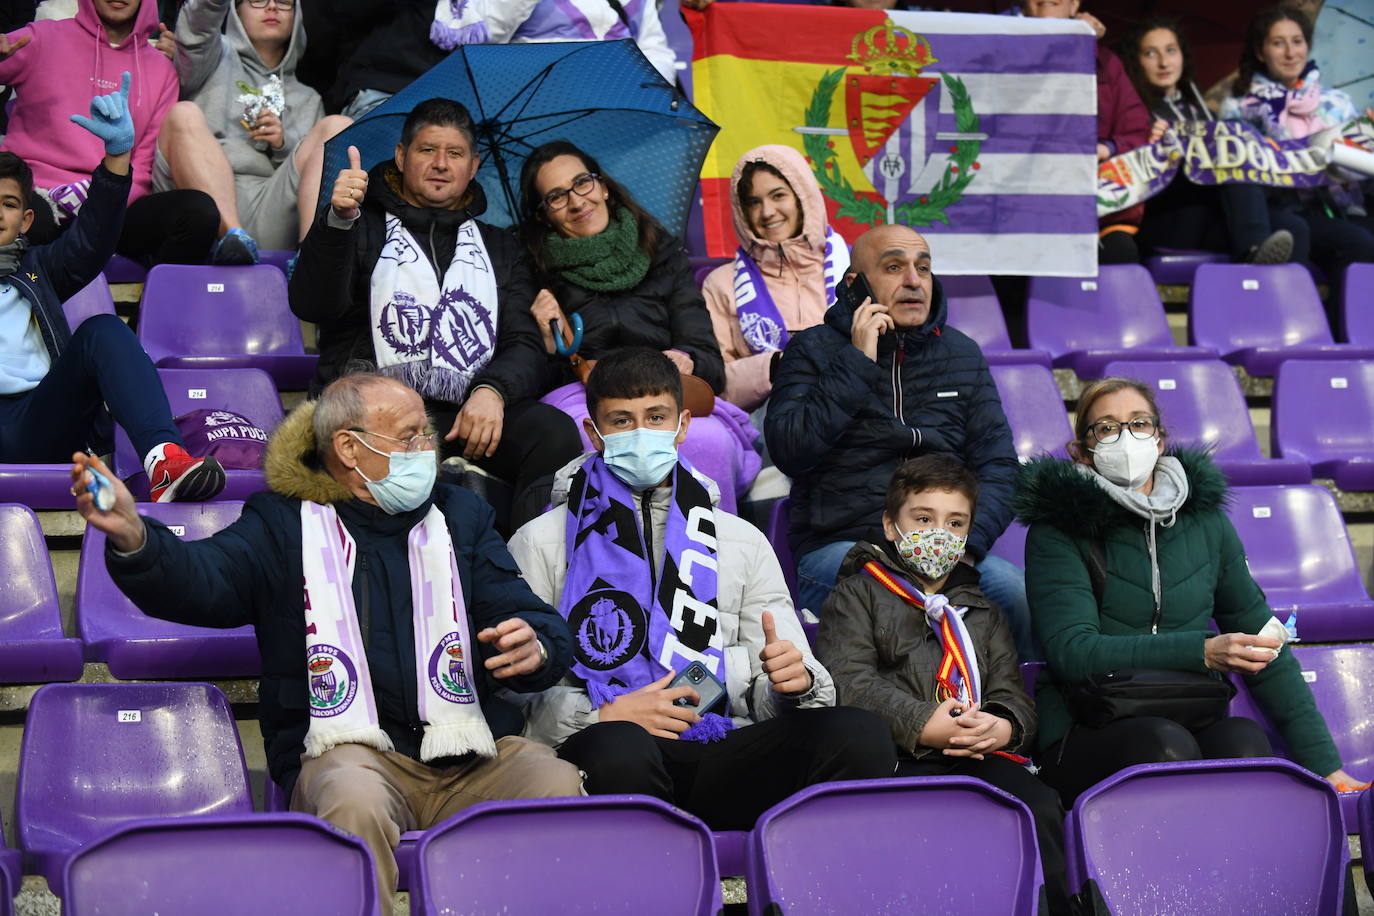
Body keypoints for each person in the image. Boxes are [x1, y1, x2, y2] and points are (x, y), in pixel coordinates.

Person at [79, 373, 584, 913]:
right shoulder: (282, 523)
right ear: (349, 447)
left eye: (426, 435)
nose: (427, 450)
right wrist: (137, 540)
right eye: (410, 436)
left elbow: (527, 614)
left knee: (551, 779)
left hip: (468, 754)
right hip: (348, 759)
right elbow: (201, 580)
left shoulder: (459, 516)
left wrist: (538, 647)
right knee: (353, 797)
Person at [507, 348, 894, 829]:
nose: (641, 433)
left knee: (858, 735)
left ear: (683, 425)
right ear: (594, 433)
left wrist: (791, 684)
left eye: (656, 417)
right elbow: (515, 695)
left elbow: (780, 681)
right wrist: (603, 714)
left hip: (721, 737)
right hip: (612, 747)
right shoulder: (539, 540)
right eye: (622, 421)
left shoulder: (740, 540)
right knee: (618, 750)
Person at [1014, 376, 1366, 804]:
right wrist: (1202, 650)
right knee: (1163, 746)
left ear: (1160, 439)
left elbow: (1264, 643)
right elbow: (1073, 652)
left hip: (1189, 709)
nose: (1126, 436)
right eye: (1106, 428)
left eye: (1139, 423)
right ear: (1081, 452)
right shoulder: (1058, 529)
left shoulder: (1207, 524)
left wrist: (1326, 766)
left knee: (1245, 745)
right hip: (1085, 723)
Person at [289, 98, 582, 534]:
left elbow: (523, 342)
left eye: (455, 153)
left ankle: (522, 568)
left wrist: (493, 392)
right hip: (375, 407)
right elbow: (312, 304)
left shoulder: (500, 246)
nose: (441, 164)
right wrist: (337, 222)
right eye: (427, 150)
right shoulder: (359, 223)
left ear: (474, 164)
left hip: (466, 411)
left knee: (552, 432)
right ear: (402, 156)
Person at [817, 454, 1068, 914]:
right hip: (898, 758)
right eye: (923, 518)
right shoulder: (856, 593)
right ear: (891, 526)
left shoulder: (983, 609)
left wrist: (1002, 726)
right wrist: (922, 721)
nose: (940, 533)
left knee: (1038, 802)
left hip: (974, 755)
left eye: (956, 523)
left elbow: (1011, 693)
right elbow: (847, 682)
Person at [765, 225, 1029, 657]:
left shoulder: (962, 354)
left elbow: (999, 466)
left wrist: (966, 549)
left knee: (1013, 595)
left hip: (947, 547)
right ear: (855, 285)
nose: (913, 281)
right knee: (900, 596)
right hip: (847, 545)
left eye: (923, 268)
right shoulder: (812, 350)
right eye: (893, 267)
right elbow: (792, 451)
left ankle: (1014, 719)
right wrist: (856, 361)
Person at [2, 80, 224, 501]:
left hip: (38, 421)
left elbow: (92, 241)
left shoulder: (40, 268)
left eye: (8, 204)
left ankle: (164, 461)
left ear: (27, 221)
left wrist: (117, 157)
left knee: (103, 330)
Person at [517, 140, 759, 514]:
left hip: (663, 390)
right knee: (580, 442)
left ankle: (710, 563)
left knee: (708, 441)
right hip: (584, 396)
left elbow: (709, 360)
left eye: (582, 183)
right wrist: (551, 343)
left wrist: (686, 359)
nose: (578, 201)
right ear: (542, 215)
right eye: (556, 197)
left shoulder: (662, 251)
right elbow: (529, 377)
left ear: (604, 186)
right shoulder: (531, 271)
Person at [0, 0, 222, 267]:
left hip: (113, 201)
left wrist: (102, 204)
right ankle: (30, 304)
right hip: (39, 192)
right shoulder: (41, 37)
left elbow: (143, 165)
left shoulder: (162, 68)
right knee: (30, 220)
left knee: (198, 213)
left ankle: (154, 306)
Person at [162, 0, 352, 252]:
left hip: (271, 207)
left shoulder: (309, 98)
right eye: (258, 0)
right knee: (183, 113)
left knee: (337, 126)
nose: (271, 7)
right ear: (235, 10)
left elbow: (309, 176)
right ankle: (232, 237)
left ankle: (310, 258)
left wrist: (284, 145)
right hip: (201, 205)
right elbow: (197, 27)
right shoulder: (209, 59)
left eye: (284, 2)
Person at [1221, 5, 1374, 305]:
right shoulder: (1239, 106)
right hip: (1288, 208)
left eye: (1297, 41)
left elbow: (1364, 173)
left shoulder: (1338, 101)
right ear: (1261, 51)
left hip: (1347, 205)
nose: (1291, 52)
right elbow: (1239, 172)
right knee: (1357, 244)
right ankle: (1336, 338)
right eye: (1278, 43)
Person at [1120, 18, 1301, 266]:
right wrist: (1151, 147)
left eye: (1171, 51)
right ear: (1136, 61)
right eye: (1151, 53)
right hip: (1166, 216)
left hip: (1206, 213)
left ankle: (1273, 299)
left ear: (1182, 55)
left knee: (1294, 227)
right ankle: (1252, 253)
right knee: (1232, 165)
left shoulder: (1197, 108)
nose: (1164, 62)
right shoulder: (1133, 111)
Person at [329, 1, 676, 121]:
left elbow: (657, 51)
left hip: (619, 107)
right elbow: (490, 33)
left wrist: (630, 89)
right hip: (543, 107)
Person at [702, 144, 850, 413]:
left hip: (851, 407)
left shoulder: (853, 269)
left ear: (802, 198)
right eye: (754, 202)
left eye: (778, 195)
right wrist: (778, 365)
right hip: (764, 418)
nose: (767, 212)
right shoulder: (721, 284)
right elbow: (714, 380)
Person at [1025, 0, 1153, 265]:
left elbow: (1139, 132)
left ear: (1074, 6)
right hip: (1024, 205)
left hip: (1097, 209)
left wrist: (1107, 148)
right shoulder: (1000, 53)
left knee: (1122, 253)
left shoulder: (1106, 62)